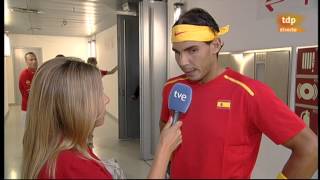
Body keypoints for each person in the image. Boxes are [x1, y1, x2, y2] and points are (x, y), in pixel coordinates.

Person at [159, 8, 318, 179]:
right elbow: (165, 130)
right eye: (177, 52)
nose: (182, 62)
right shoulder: (172, 87)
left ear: (216, 45)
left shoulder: (250, 93)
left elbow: (310, 149)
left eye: (192, 50)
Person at [21, 57, 182, 179]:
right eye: (99, 92)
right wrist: (164, 149)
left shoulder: (60, 146)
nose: (106, 99)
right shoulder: (75, 167)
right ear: (75, 104)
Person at [19, 52, 38, 128]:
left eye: (35, 59)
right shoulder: (24, 74)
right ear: (26, 62)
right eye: (31, 59)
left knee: (36, 130)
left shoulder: (38, 72)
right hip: (27, 108)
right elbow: (31, 92)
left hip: (37, 108)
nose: (34, 61)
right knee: (28, 131)